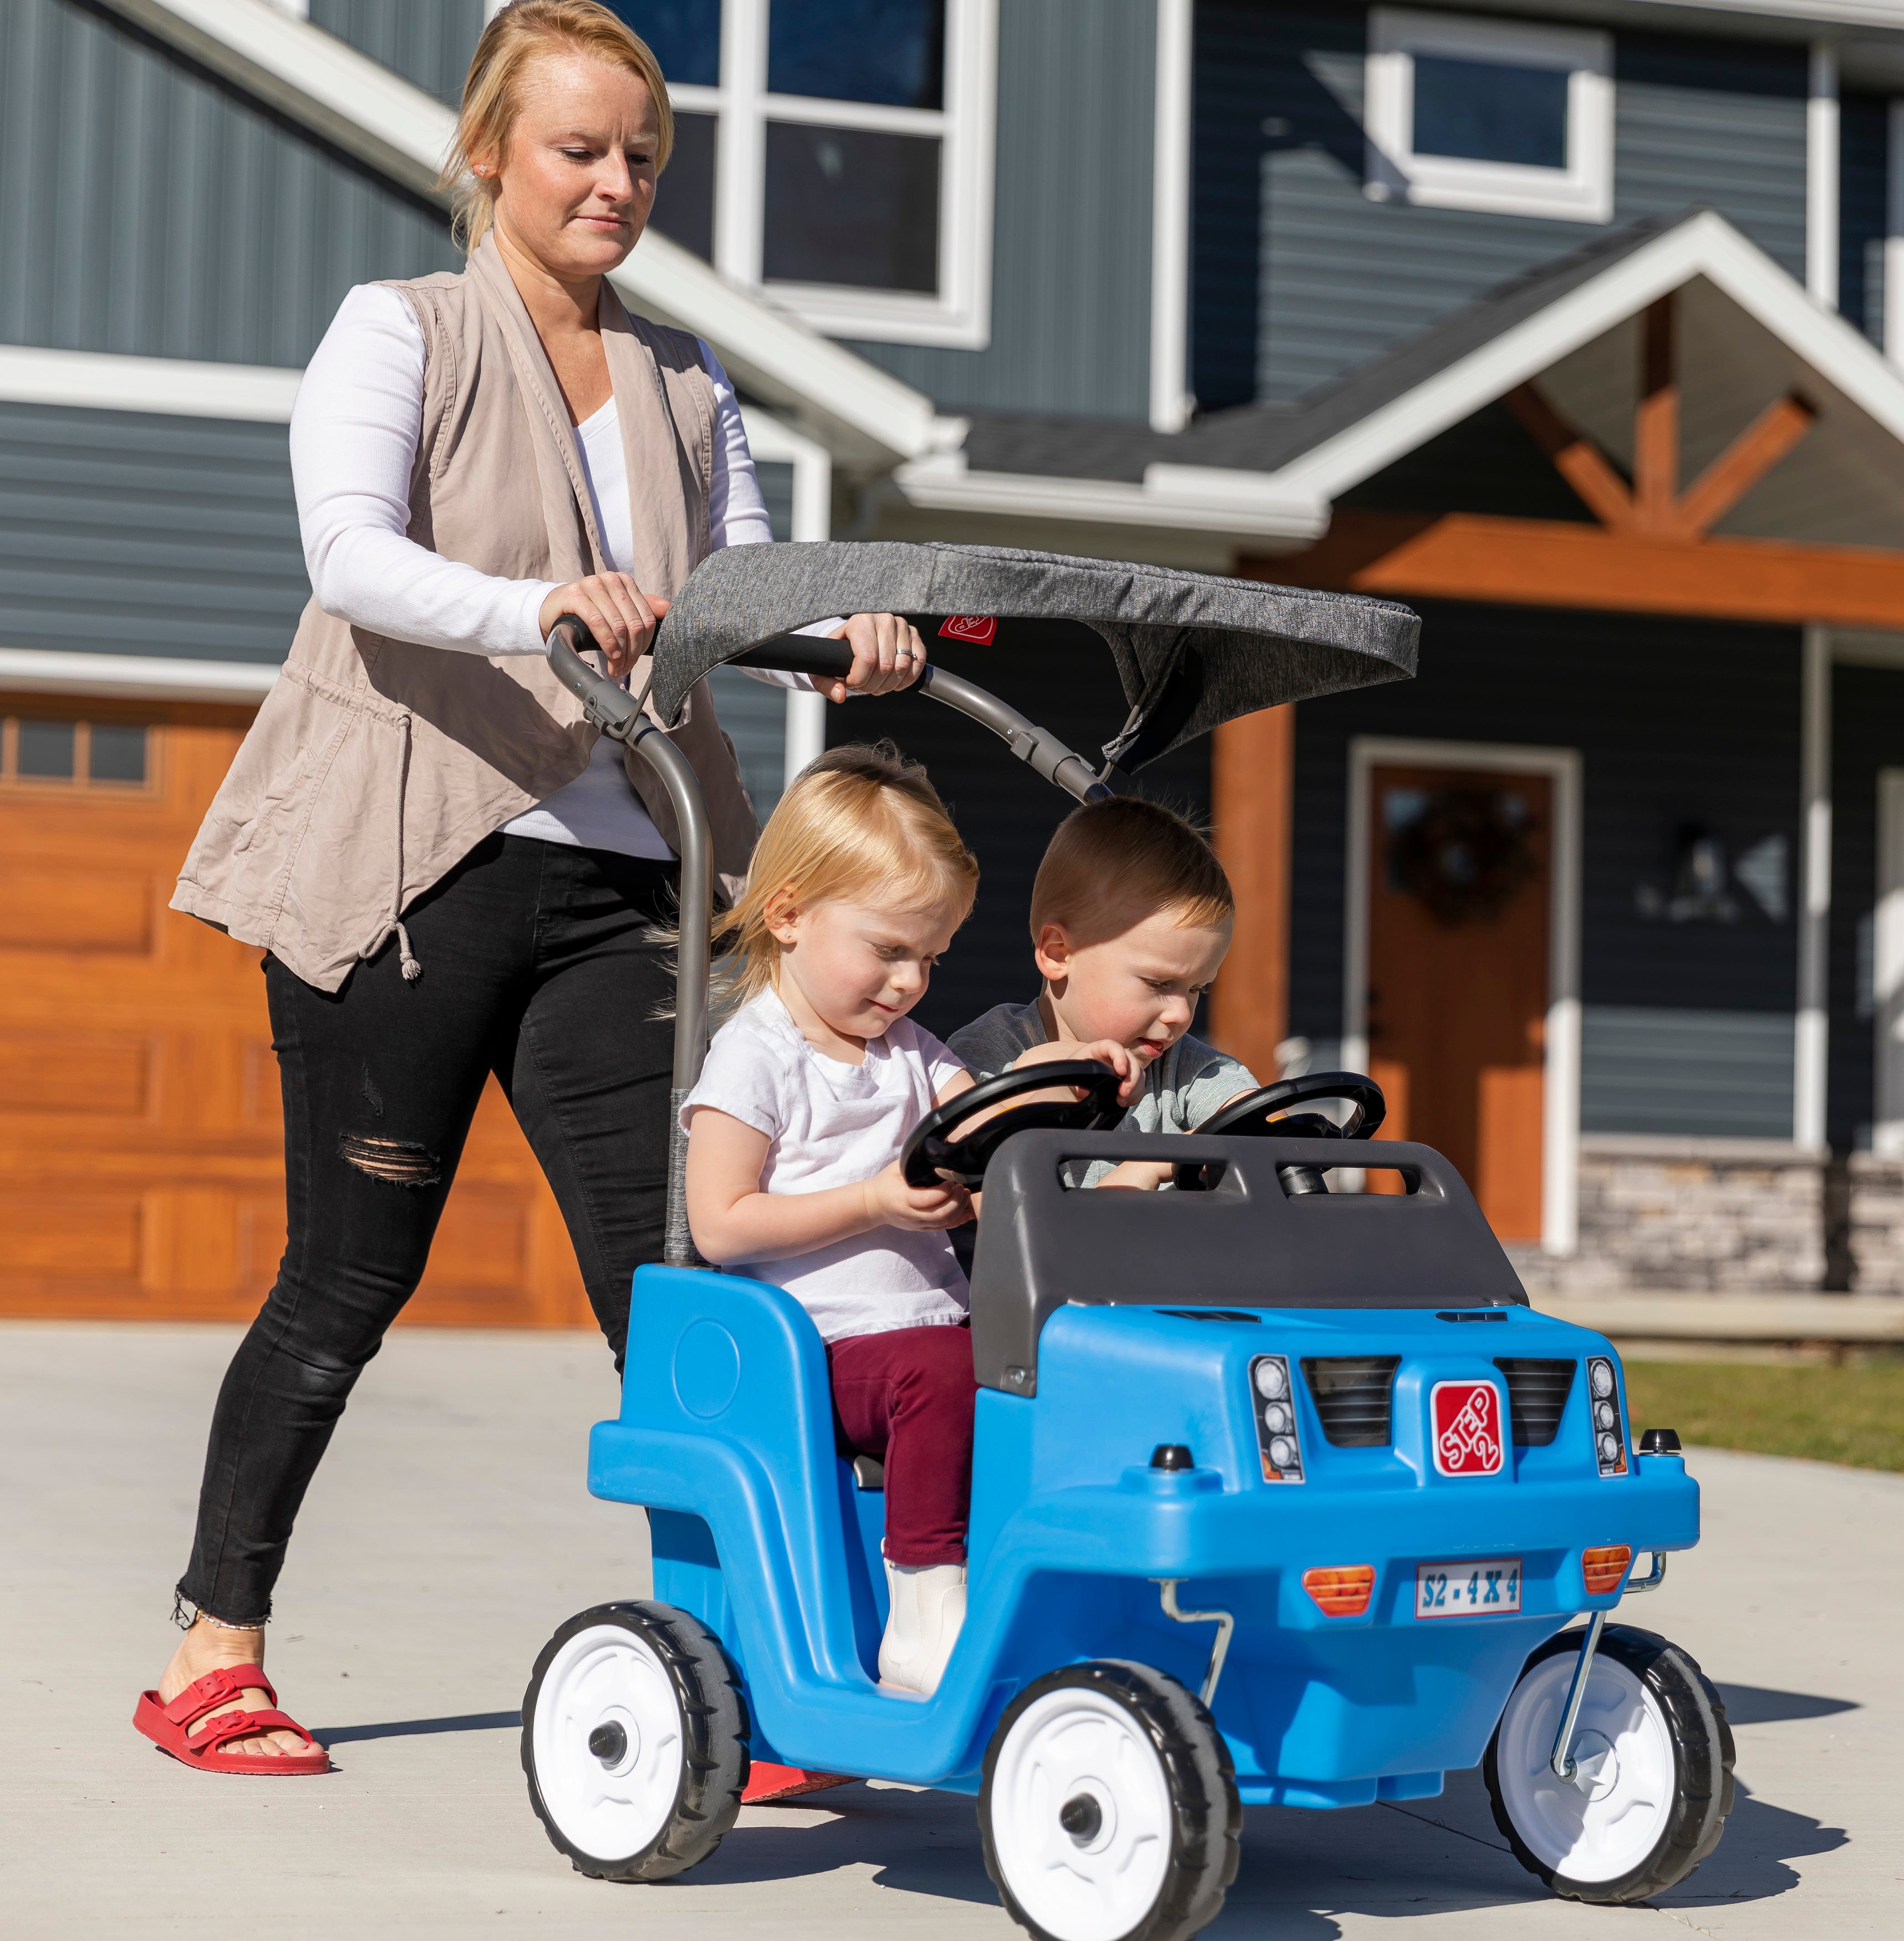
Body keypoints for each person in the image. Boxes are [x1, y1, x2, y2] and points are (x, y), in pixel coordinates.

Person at [136, 0, 926, 1774]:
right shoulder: (399, 329)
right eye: (578, 149)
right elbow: (350, 553)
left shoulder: (685, 380)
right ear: (490, 152)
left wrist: (845, 630)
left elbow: (733, 589)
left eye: (641, 153)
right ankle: (213, 1650)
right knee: (350, 1272)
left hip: (629, 876)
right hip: (413, 864)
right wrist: (537, 603)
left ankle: (750, 1665)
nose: (614, 182)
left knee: (681, 1289)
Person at [680, 746, 984, 1697]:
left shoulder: (915, 1055)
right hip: (814, 1354)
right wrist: (873, 1201)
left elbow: (987, 1132)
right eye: (889, 950)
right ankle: (924, 1606)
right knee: (946, 1372)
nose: (910, 981)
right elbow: (720, 1224)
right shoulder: (756, 1057)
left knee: (1042, 1364)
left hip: (931, 1339)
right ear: (789, 915)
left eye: (931, 959)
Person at [949, 797, 1259, 1189]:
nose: (1181, 1014)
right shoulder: (988, 1057)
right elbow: (994, 1199)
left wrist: (1248, 1127)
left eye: (1198, 988)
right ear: (1059, 954)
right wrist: (1145, 1169)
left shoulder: (1184, 1068)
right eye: (1158, 983)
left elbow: (1257, 1122)